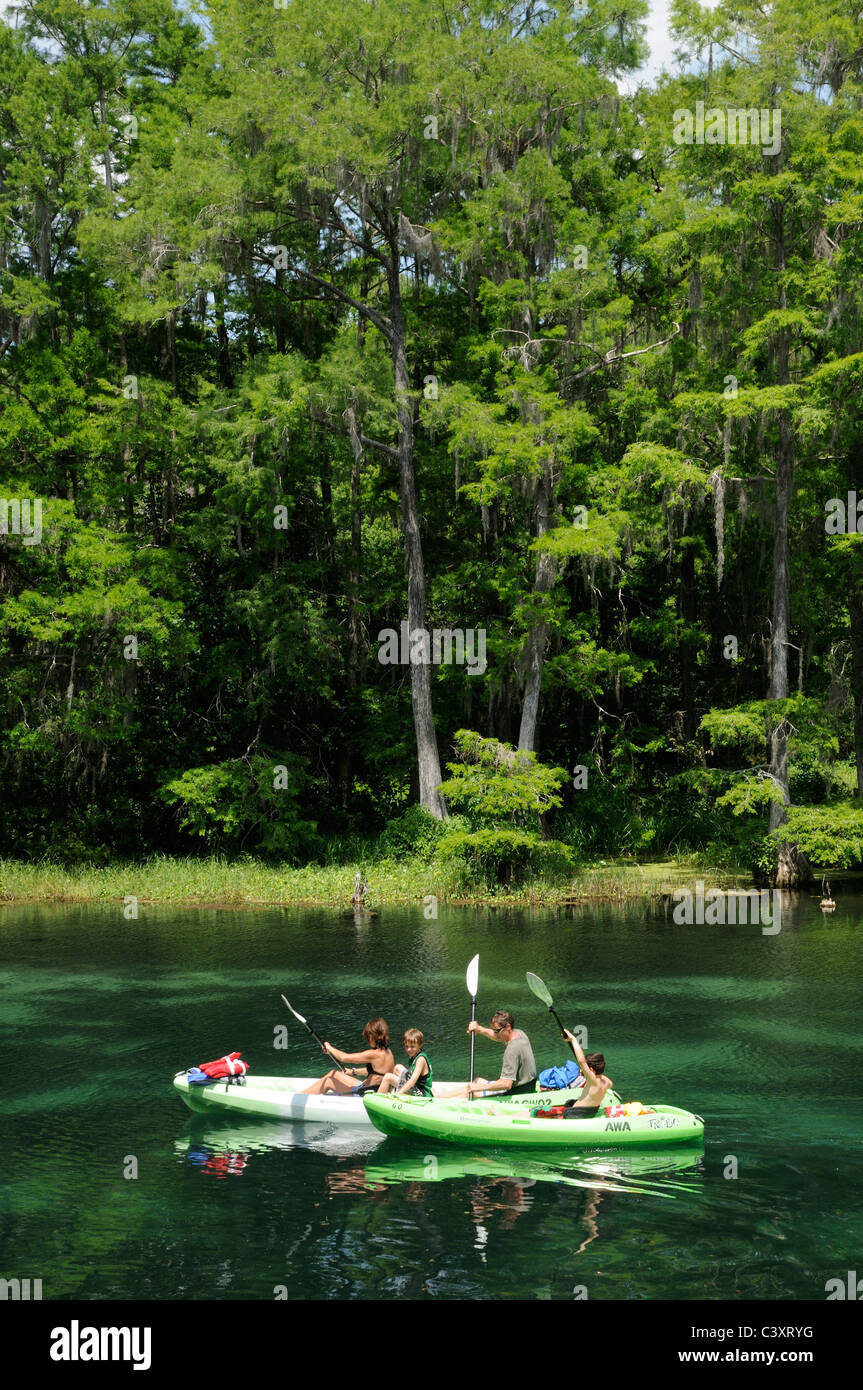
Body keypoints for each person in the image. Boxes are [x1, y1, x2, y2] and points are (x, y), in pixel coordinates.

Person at [448, 1010, 537, 1099]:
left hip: (519, 1092)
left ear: (508, 1027)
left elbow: (506, 1084)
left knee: (470, 1094)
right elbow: (497, 1037)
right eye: (494, 1030)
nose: (495, 1033)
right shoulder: (520, 1034)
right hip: (529, 1085)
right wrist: (479, 1029)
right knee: (477, 1081)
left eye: (497, 1030)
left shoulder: (511, 1050)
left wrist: (477, 1088)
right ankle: (438, 1096)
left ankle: (438, 1100)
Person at [300, 1018, 395, 1095]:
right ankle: (304, 1093)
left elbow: (344, 1057)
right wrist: (353, 1071)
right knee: (334, 1073)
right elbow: (377, 1073)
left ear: (372, 1036)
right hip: (366, 1087)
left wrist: (329, 1047)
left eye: (368, 1036)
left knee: (329, 1081)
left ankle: (300, 1097)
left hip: (366, 1095)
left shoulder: (374, 1054)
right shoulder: (388, 1051)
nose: (367, 1039)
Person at [559, 1027, 613, 1117]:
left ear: (591, 1070)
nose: (582, 1070)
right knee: (570, 1103)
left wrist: (573, 1039)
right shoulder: (606, 1082)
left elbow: (581, 1061)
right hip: (590, 1113)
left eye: (585, 1069)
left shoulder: (593, 1081)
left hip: (576, 1115)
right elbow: (604, 1079)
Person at [377, 1027, 434, 1097]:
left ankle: (379, 1100)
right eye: (406, 1046)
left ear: (420, 1045)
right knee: (397, 1067)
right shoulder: (415, 1055)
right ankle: (388, 1094)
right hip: (417, 1087)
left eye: (412, 1047)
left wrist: (399, 1093)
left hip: (421, 1094)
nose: (409, 1049)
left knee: (388, 1077)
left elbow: (413, 1081)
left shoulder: (420, 1059)